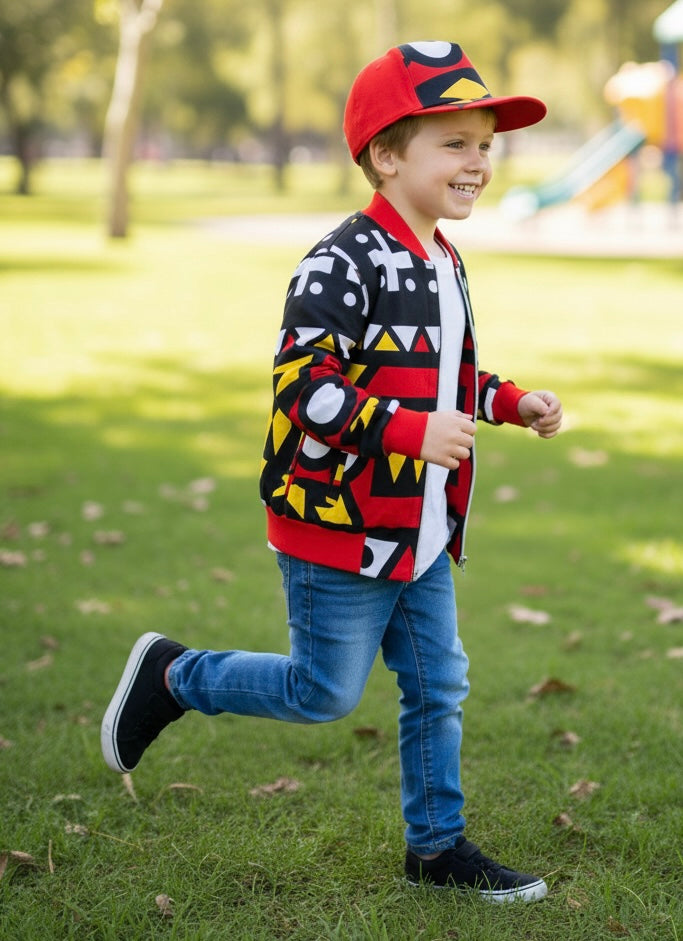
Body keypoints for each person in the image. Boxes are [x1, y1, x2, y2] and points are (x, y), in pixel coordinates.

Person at [101, 41, 562, 902]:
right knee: (322, 692)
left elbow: (448, 379)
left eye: (485, 145)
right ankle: (174, 673)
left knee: (438, 683)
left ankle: (436, 846)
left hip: (416, 529)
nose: (478, 162)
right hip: (340, 528)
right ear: (386, 156)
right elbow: (303, 389)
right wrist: (404, 431)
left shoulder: (443, 260)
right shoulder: (339, 260)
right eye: (454, 143)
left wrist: (508, 402)